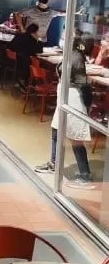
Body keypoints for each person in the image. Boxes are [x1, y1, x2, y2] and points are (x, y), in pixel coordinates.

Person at [35, 33, 94, 188]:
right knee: (56, 130)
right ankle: (54, 163)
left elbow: (83, 83)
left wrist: (87, 102)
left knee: (75, 137)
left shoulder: (76, 58)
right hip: (66, 97)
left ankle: (85, 175)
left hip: (74, 99)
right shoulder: (75, 55)